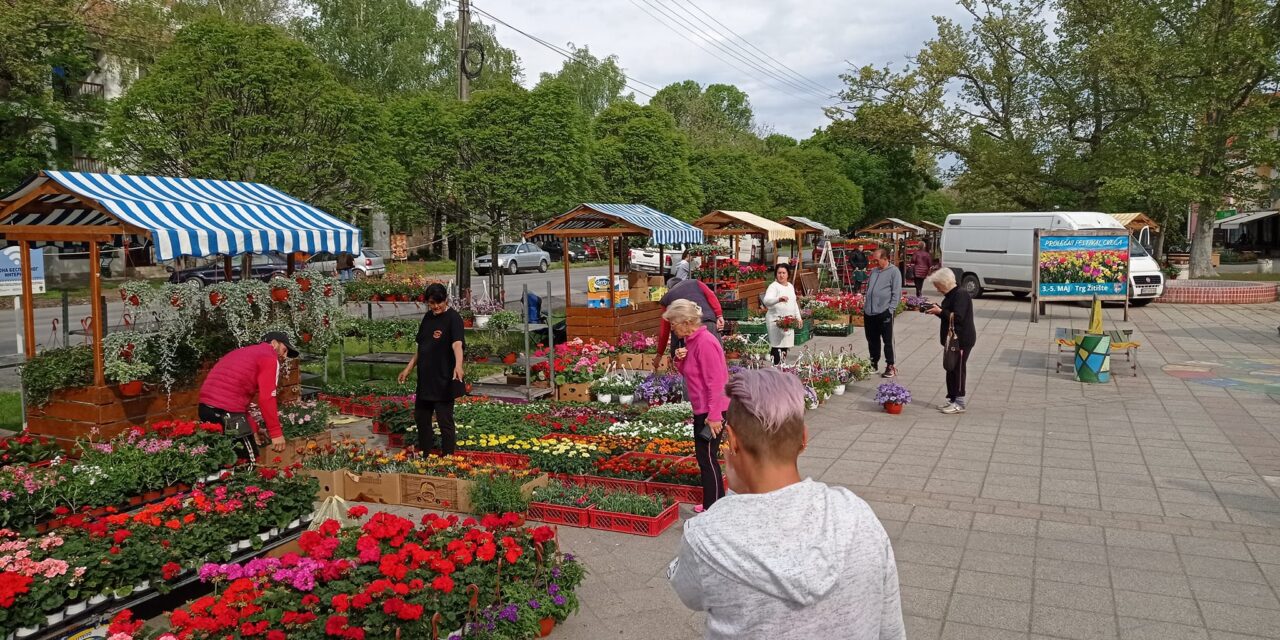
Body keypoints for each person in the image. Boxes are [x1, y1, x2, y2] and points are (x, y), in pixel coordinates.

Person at [668, 368, 905, 640]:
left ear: (731, 441)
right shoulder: (858, 515)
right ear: (804, 439)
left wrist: (733, 502)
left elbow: (688, 591)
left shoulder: (707, 536)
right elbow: (890, 628)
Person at [664, 300, 729, 513]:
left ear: (687, 322)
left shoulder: (705, 342)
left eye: (674, 323)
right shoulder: (691, 342)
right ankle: (713, 502)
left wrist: (714, 415)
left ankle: (714, 508)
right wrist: (679, 360)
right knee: (705, 458)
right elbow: (692, 375)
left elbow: (716, 382)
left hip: (711, 410)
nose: (672, 328)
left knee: (707, 459)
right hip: (703, 408)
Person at [198, 332, 298, 463]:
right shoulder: (269, 356)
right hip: (227, 413)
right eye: (285, 350)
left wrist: (254, 428)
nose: (284, 356)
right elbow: (267, 398)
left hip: (205, 409)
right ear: (274, 343)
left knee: (220, 462)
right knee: (247, 463)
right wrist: (276, 433)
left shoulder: (244, 352)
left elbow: (236, 398)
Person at [398, 283, 465, 454]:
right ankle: (426, 456)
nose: (435, 306)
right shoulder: (428, 317)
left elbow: (457, 344)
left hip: (443, 380)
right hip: (426, 380)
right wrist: (408, 368)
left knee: (445, 422)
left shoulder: (453, 318)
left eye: (438, 302)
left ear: (446, 300)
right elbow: (422, 347)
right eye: (431, 303)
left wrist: (458, 365)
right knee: (422, 419)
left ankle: (448, 458)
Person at [924, 268, 977, 414]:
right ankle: (952, 398)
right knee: (950, 368)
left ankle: (959, 402)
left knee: (958, 369)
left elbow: (958, 317)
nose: (936, 288)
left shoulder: (961, 294)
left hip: (961, 339)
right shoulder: (951, 294)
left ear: (944, 283)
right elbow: (949, 315)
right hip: (953, 339)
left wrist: (940, 311)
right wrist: (937, 310)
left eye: (937, 285)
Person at [655, 278, 725, 370]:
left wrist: (659, 354)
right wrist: (719, 315)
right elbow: (711, 295)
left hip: (689, 328)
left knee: (693, 363)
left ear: (669, 288)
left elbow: (665, 330)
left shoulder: (667, 298)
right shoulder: (695, 282)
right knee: (717, 358)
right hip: (709, 322)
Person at [864, 248, 903, 378]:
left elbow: (896, 292)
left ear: (885, 259)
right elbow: (869, 288)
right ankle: (873, 363)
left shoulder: (894, 272)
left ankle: (890, 366)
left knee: (887, 340)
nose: (874, 263)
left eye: (877, 260)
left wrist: (890, 310)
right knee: (872, 339)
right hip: (869, 312)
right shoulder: (874, 271)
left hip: (884, 312)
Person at [762, 263, 801, 365]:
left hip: (788, 322)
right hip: (775, 321)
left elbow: (794, 303)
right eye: (779, 273)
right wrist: (778, 299)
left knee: (785, 345)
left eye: (784, 273)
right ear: (776, 274)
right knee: (777, 345)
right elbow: (767, 301)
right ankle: (776, 367)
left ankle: (781, 366)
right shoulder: (773, 287)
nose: (781, 275)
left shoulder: (790, 286)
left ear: (788, 274)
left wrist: (798, 317)